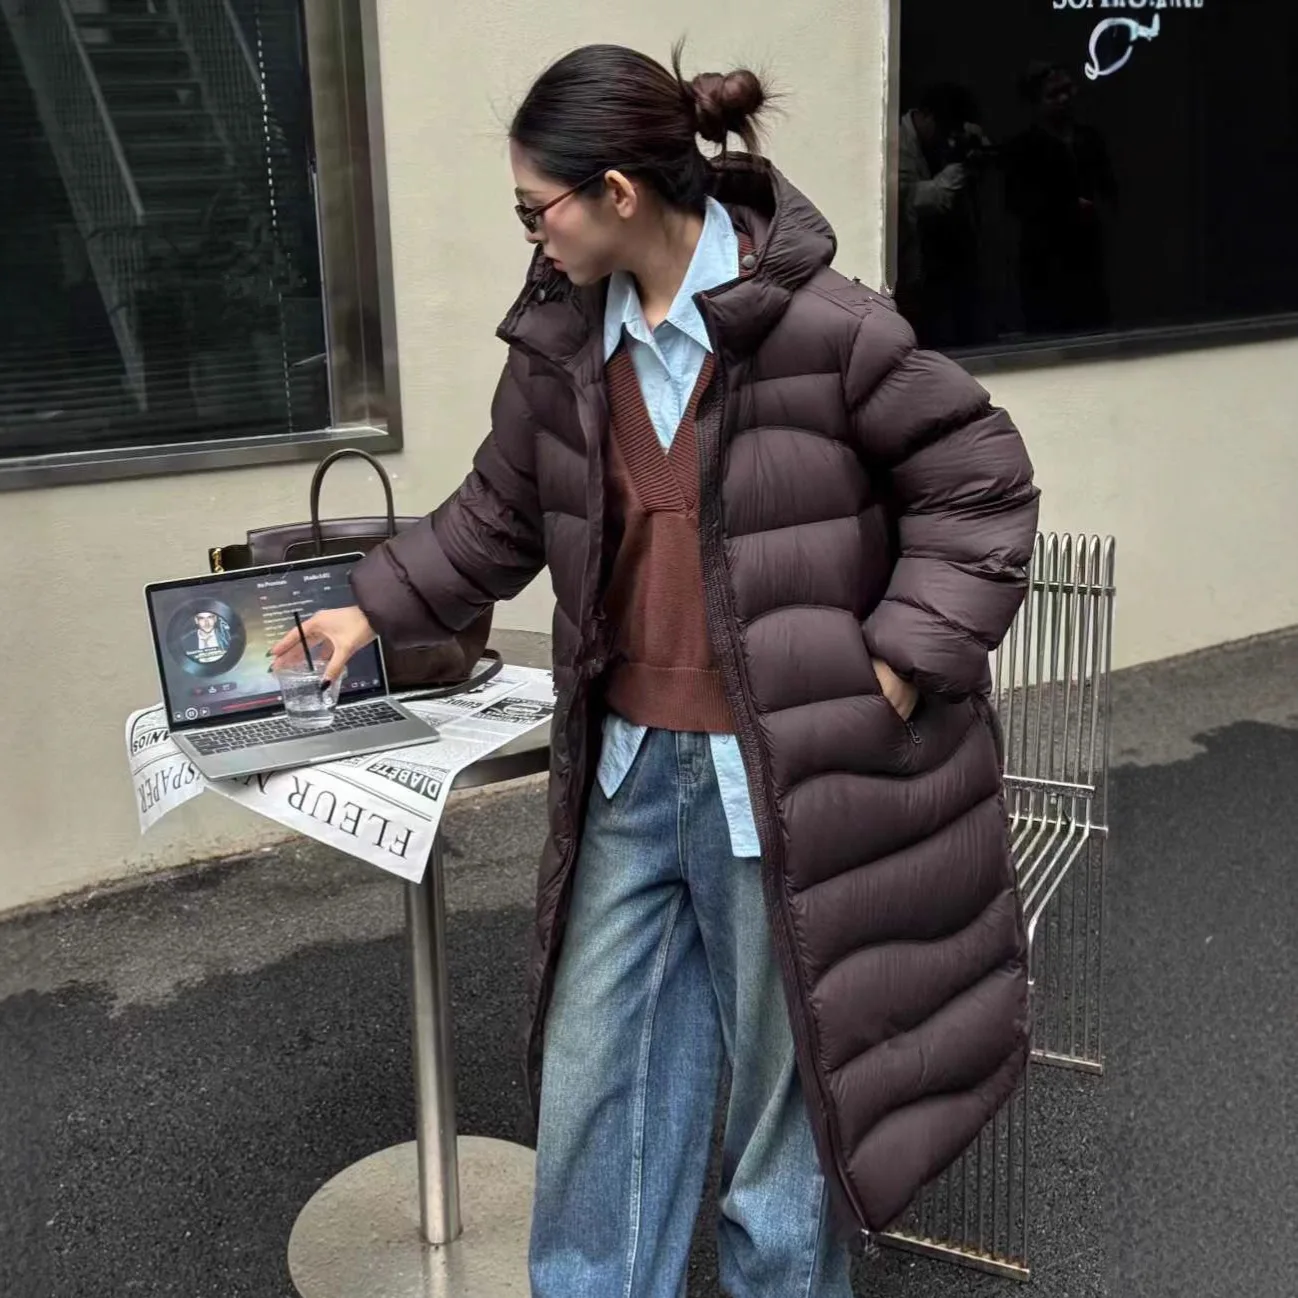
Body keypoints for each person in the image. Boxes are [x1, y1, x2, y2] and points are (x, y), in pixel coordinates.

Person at [274, 43, 1039, 1298]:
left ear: (619, 193)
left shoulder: (828, 328)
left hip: (781, 777)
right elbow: (496, 513)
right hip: (627, 774)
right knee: (597, 1094)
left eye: (537, 208)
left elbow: (980, 485)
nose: (532, 234)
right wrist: (366, 605)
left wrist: (899, 662)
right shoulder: (564, 341)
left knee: (782, 1127)